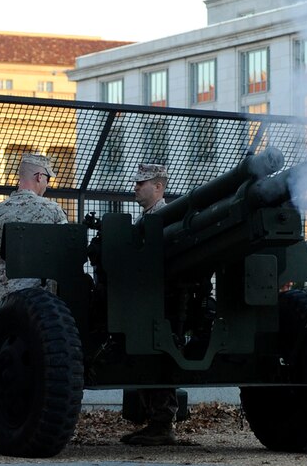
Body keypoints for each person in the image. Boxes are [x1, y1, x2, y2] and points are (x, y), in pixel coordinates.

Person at [120, 163, 179, 447]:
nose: (135, 188)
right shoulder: (148, 219)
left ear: (158, 186)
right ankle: (155, 421)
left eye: (141, 183)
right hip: (146, 299)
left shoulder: (166, 219)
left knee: (156, 356)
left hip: (164, 301)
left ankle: (161, 423)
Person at [0, 153, 68, 308]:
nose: (47, 184)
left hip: (7, 303)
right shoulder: (54, 211)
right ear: (39, 177)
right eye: (47, 179)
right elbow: (66, 254)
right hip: (44, 305)